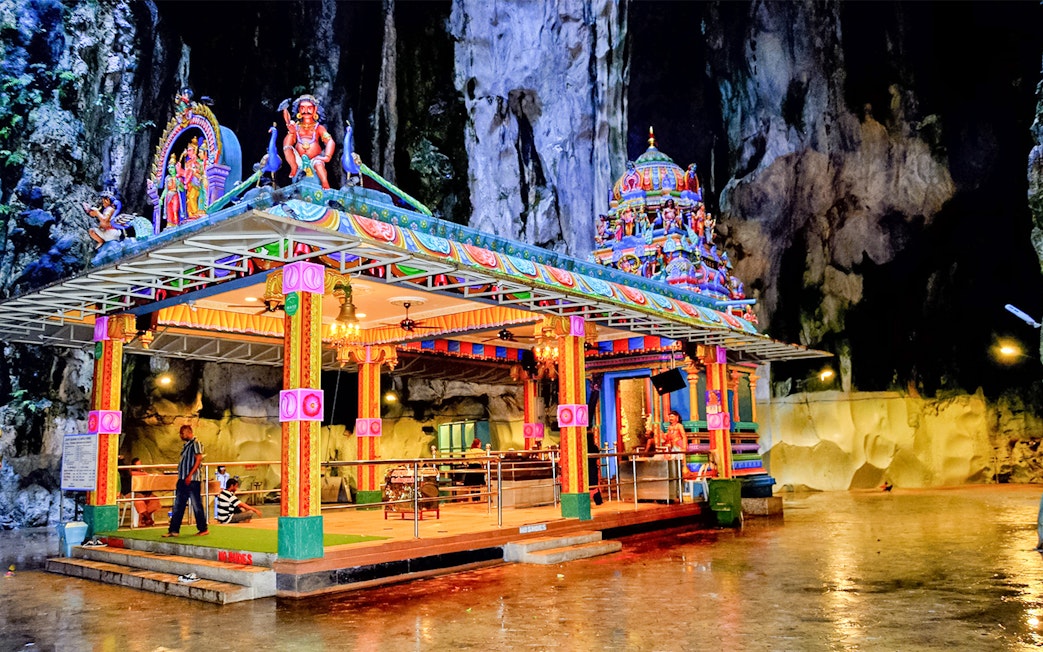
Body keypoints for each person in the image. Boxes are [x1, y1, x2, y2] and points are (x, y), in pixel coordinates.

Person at [280, 94, 336, 189]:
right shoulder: (296, 127)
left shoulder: (319, 128)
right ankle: (293, 168)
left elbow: (330, 141)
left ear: (315, 109)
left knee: (319, 165)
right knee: (287, 149)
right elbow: (287, 144)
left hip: (315, 159)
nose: (306, 111)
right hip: (299, 160)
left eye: (309, 108)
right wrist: (291, 132)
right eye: (302, 108)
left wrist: (327, 156)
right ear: (298, 110)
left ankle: (325, 183)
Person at [163, 424, 209, 537]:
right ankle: (174, 530)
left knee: (196, 504)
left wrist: (190, 475)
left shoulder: (196, 443)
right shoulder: (186, 446)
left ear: (189, 432)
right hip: (183, 478)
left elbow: (198, 460)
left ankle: (203, 528)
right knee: (178, 504)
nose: (181, 436)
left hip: (192, 480)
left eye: (182, 433)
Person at [130, 457, 161, 527]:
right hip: (134, 494)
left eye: (141, 464)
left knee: (154, 499)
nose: (140, 466)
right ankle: (149, 519)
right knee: (139, 501)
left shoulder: (144, 473)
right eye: (138, 465)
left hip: (145, 494)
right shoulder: (131, 474)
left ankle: (144, 518)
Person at [587, 429, 603, 506]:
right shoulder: (594, 447)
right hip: (593, 467)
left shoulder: (584, 447)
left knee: (586, 485)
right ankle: (598, 500)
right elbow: (597, 456)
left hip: (586, 468)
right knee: (594, 485)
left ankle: (586, 501)